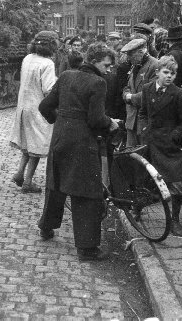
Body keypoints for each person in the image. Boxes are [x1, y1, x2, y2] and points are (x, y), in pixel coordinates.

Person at [37, 43, 120, 261]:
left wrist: (61, 122)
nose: (109, 70)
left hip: (60, 138)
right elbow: (95, 120)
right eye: (107, 65)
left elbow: (45, 106)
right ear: (95, 61)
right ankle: (87, 248)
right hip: (82, 143)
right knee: (86, 192)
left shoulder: (65, 76)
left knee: (56, 184)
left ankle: (46, 227)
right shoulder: (98, 82)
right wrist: (110, 123)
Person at [138, 56, 182, 236]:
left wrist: (174, 136)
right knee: (146, 180)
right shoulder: (147, 89)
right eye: (166, 72)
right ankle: (137, 208)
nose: (169, 76)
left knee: (176, 183)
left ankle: (175, 219)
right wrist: (144, 130)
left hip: (170, 146)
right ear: (157, 72)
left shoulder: (178, 94)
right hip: (151, 142)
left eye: (173, 73)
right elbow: (143, 113)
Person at [9, 31, 58, 193]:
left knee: (28, 143)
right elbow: (48, 89)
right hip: (38, 108)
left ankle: (19, 173)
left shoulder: (27, 58)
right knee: (37, 144)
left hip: (23, 107)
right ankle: (28, 181)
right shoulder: (47, 63)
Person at [122, 38, 160, 148]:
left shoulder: (155, 66)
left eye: (131, 54)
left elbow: (152, 93)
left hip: (145, 123)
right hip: (131, 122)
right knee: (130, 157)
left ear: (141, 52)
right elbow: (127, 86)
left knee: (143, 157)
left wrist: (130, 98)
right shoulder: (135, 66)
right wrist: (126, 94)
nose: (128, 58)